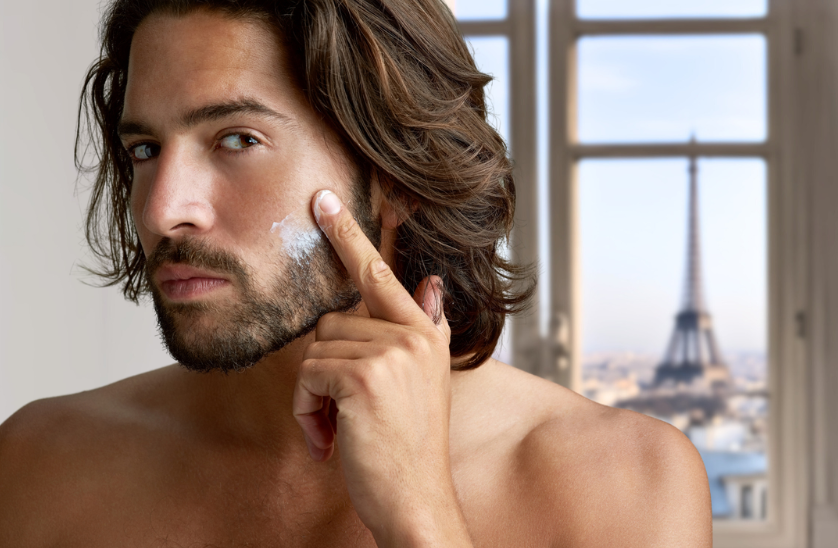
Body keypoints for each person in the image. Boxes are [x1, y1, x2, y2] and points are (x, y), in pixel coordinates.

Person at [0, 0, 711, 545]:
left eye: (237, 139)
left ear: (396, 177)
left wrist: (421, 516)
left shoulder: (627, 485)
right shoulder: (41, 465)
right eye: (147, 149)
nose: (163, 210)